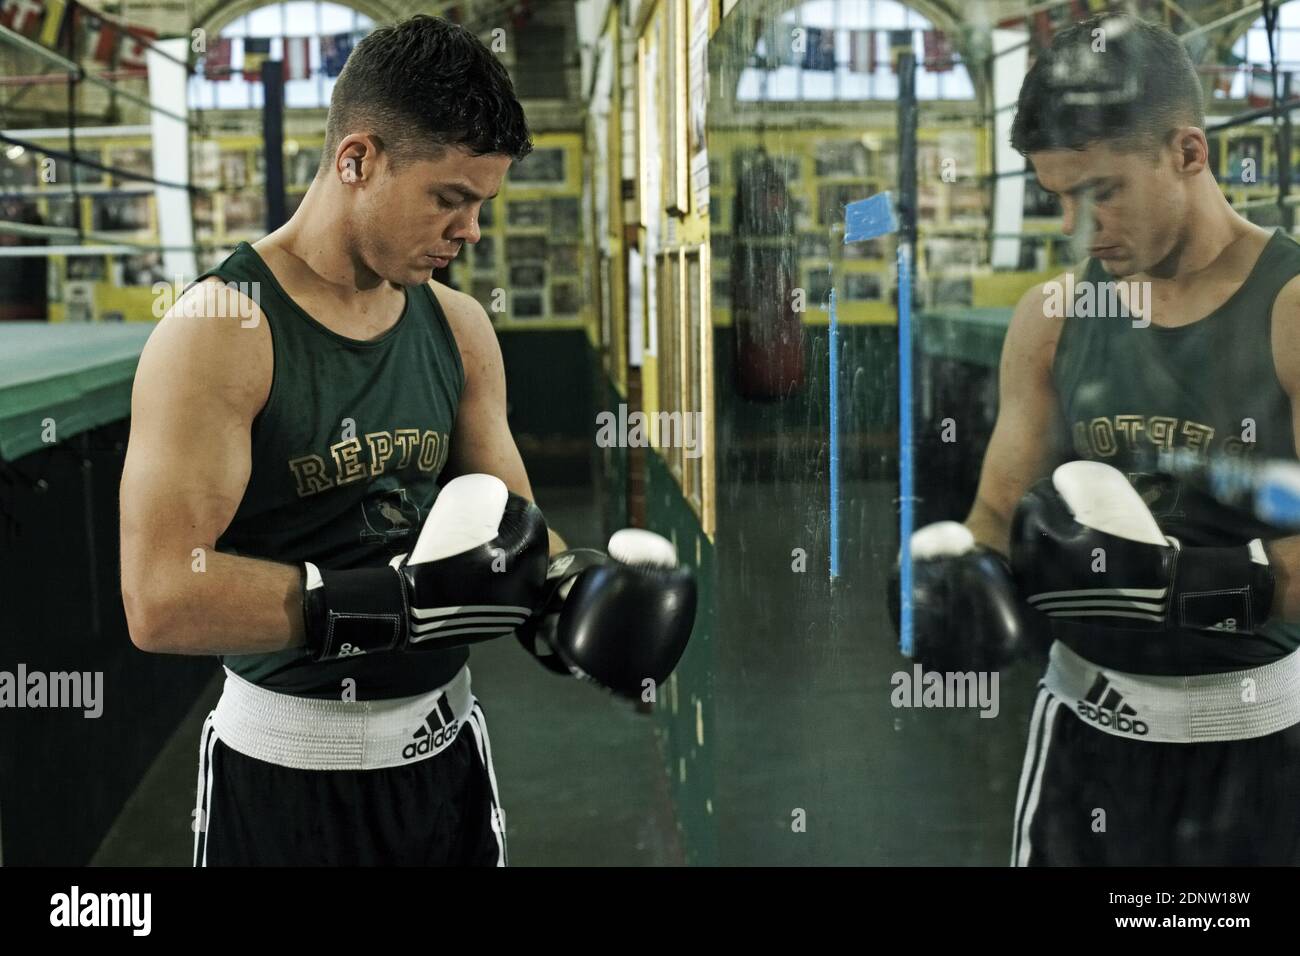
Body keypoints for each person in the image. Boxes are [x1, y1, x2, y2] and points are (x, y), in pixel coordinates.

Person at [119, 15, 694, 867]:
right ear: (357, 161)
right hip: (286, 775)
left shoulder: (459, 328)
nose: (470, 232)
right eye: (449, 199)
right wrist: (391, 605)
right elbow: (160, 597)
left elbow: (519, 526)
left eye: (482, 205)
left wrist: (582, 595)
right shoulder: (221, 331)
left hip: (442, 764)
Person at [897, 14, 1300, 865]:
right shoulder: (1051, 319)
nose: (1080, 227)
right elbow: (996, 517)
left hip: (1259, 745)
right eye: (1059, 197)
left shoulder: (1290, 309)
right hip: (1085, 744)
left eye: (1103, 192)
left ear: (1189, 152)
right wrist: (952, 580)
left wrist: (1189, 583)